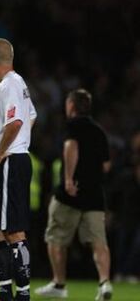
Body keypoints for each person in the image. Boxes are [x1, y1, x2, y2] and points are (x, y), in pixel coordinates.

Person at [35, 89, 113, 300]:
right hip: (95, 194)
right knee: (99, 242)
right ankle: (104, 282)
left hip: (70, 194)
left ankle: (59, 284)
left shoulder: (72, 126)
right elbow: (106, 165)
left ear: (71, 106)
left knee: (55, 238)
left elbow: (71, 147)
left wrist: (69, 179)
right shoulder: (99, 131)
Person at [0, 38, 37, 301]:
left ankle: (23, 293)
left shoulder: (11, 84)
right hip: (11, 160)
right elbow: (31, 117)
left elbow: (15, 122)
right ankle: (6, 290)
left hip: (8, 161)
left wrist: (2, 152)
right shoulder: (16, 84)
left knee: (12, 229)